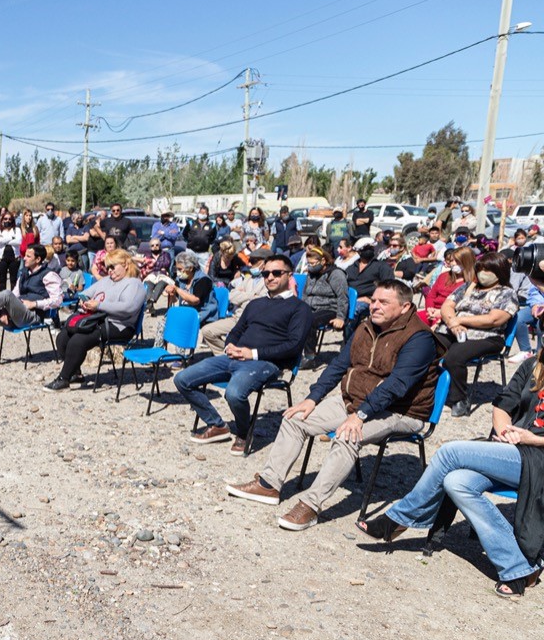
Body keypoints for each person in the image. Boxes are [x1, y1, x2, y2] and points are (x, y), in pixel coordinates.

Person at [226, 279, 440, 531]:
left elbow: (397, 386)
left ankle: (310, 505)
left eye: (384, 302)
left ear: (405, 308)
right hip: (356, 399)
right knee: (295, 418)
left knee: (347, 436)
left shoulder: (419, 338)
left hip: (400, 409)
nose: (375, 307)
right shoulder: (366, 326)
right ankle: (269, 485)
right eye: (373, 301)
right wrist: (311, 399)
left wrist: (360, 415)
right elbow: (338, 365)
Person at [360, 353, 544, 597]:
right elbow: (502, 405)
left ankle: (398, 519)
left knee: (450, 452)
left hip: (538, 458)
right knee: (456, 481)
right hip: (511, 450)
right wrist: (504, 432)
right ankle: (517, 567)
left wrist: (533, 439)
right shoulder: (533, 365)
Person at [174, 255, 313, 455]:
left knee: (234, 393)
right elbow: (236, 330)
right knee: (182, 379)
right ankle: (217, 425)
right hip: (234, 357)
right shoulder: (255, 304)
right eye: (266, 273)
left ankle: (243, 431)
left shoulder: (300, 309)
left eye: (276, 273)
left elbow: (293, 346)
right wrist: (230, 344)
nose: (270, 277)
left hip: (265, 363)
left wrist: (252, 353)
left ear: (289, 275)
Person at [44, 249, 146, 391]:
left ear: (126, 265)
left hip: (120, 325)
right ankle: (75, 373)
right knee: (63, 336)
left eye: (113, 267)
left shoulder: (134, 284)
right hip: (98, 320)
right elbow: (86, 293)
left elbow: (128, 308)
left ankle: (64, 379)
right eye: (107, 267)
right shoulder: (106, 280)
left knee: (78, 340)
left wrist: (99, 305)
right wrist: (83, 301)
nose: (109, 271)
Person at [434, 251, 517, 416]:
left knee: (454, 356)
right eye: (481, 269)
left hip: (487, 336)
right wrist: (452, 322)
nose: (482, 274)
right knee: (426, 346)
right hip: (454, 329)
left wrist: (462, 321)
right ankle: (427, 390)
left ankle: (458, 398)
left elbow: (494, 319)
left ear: (499, 272)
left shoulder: (507, 293)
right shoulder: (468, 287)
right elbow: (447, 305)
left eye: (488, 270)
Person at [200, 270, 267, 354]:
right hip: (237, 317)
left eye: (255, 261)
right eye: (252, 261)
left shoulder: (268, 281)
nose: (251, 265)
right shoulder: (248, 279)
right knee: (207, 331)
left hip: (253, 320)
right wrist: (252, 295)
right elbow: (232, 296)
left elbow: (261, 301)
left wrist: (242, 296)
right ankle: (225, 354)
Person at [300, 245, 349, 356]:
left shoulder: (335, 274)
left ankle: (309, 355)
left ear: (323, 261)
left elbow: (342, 297)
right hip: (311, 307)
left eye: (313, 263)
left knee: (309, 320)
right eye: (309, 263)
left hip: (329, 308)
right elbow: (305, 293)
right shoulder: (311, 274)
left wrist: (340, 317)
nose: (311, 267)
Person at [166, 251, 219, 327]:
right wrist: (172, 293)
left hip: (204, 316)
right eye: (176, 269)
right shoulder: (180, 279)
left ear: (190, 268)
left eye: (180, 269)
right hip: (188, 313)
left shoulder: (203, 280)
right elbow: (175, 300)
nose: (178, 272)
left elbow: (195, 300)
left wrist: (177, 289)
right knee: (169, 322)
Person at [141, 238, 174, 314]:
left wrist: (152, 264)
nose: (155, 246)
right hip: (151, 275)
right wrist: (158, 265)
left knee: (161, 283)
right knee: (148, 284)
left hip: (162, 275)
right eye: (152, 245)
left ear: (160, 246)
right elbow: (143, 265)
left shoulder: (166, 254)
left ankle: (152, 300)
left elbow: (167, 264)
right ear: (150, 247)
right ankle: (150, 304)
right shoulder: (147, 255)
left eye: (157, 245)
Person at [0, 210, 22, 292]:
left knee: (13, 280)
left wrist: (5, 240)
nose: (7, 221)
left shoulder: (17, 230)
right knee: (2, 280)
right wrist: (12, 238)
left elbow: (19, 241)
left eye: (9, 219)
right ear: (2, 220)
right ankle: (2, 300)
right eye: (5, 219)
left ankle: (13, 299)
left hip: (14, 258)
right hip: (1, 259)